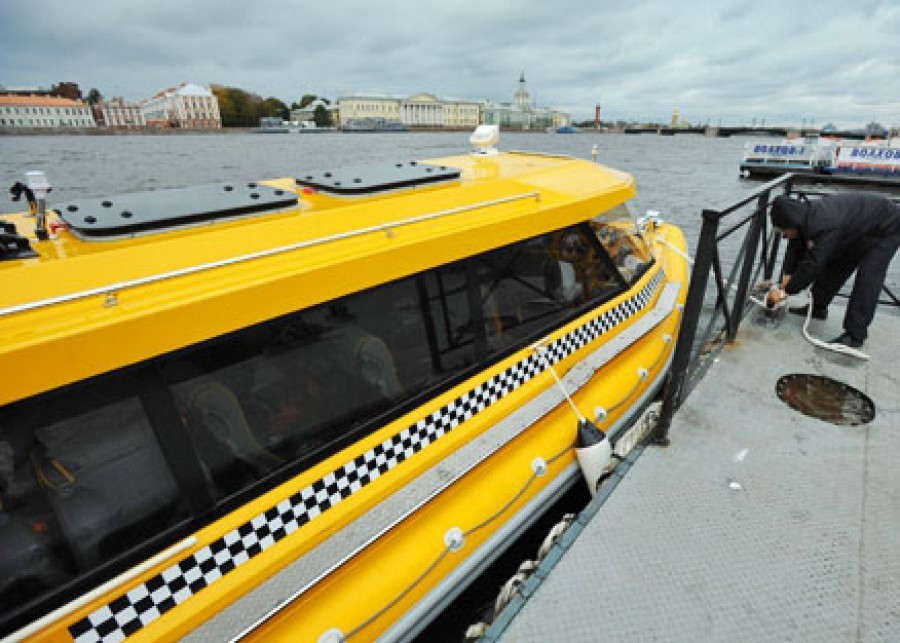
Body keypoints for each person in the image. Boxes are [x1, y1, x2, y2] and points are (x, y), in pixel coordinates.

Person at [766, 192, 900, 348]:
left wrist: (785, 291)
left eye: (783, 231)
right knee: (836, 265)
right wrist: (788, 273)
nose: (783, 236)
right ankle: (817, 308)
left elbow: (813, 265)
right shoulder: (804, 217)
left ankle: (855, 335)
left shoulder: (824, 225)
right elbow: (795, 245)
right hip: (857, 228)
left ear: (791, 224)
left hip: (887, 227)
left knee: (868, 279)